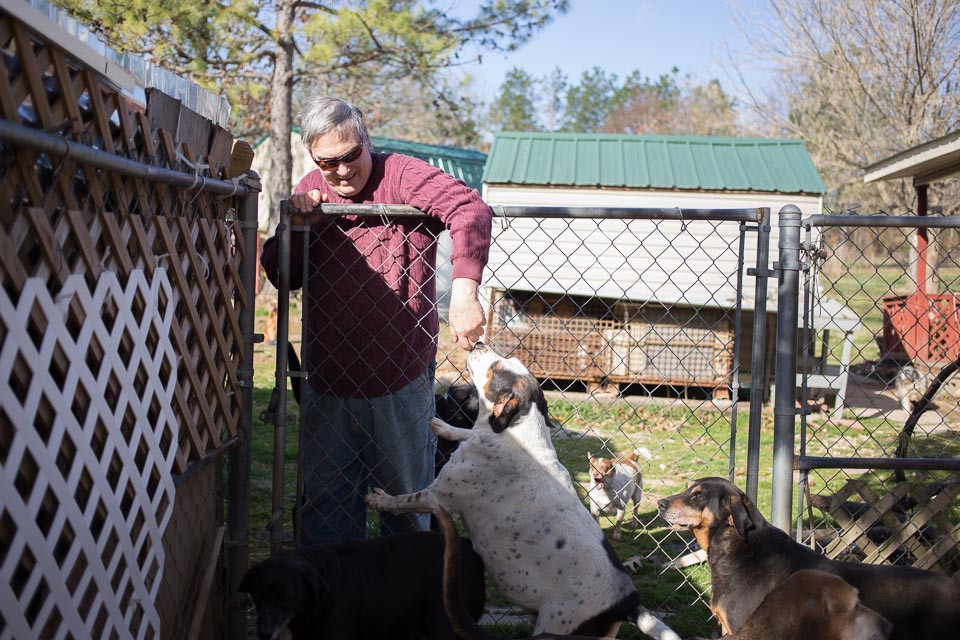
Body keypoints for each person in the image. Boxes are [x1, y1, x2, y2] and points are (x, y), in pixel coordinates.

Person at [260, 96, 491, 545]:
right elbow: (279, 271)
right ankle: (333, 606)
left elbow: (470, 209)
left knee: (407, 505)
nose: (342, 171)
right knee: (325, 508)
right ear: (313, 157)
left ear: (366, 141)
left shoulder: (401, 173)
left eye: (350, 156)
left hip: (399, 377)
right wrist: (299, 225)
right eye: (329, 162)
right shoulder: (313, 187)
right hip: (328, 380)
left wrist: (465, 292)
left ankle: (404, 607)